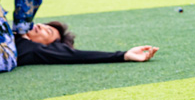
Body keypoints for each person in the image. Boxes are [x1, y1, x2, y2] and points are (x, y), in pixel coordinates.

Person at [13, 21, 158, 67]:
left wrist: (124, 55)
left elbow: (76, 55)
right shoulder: (11, 30)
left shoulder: (35, 50)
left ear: (52, 47)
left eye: (48, 31)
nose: (40, 26)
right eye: (44, 25)